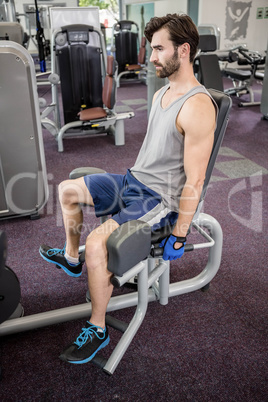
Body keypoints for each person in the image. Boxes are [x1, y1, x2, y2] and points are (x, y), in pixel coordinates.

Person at [40, 13, 217, 364]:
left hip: (158, 200)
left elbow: (194, 181)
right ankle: (73, 261)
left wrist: (179, 235)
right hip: (133, 181)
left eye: (158, 49)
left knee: (97, 244)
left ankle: (98, 327)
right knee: (67, 190)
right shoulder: (164, 92)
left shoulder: (197, 106)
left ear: (183, 51)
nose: (151, 57)